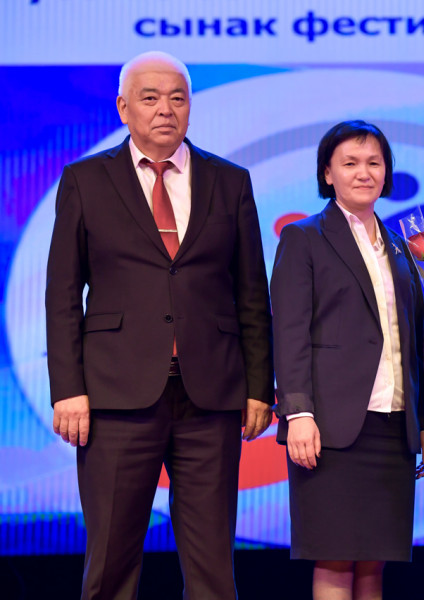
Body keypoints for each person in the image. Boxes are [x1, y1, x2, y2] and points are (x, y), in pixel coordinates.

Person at [45, 51, 274, 599]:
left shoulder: (230, 181)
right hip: (115, 396)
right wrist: (68, 389)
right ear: (123, 108)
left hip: (211, 396)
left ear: (191, 106)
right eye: (149, 98)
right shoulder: (85, 180)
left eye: (177, 98)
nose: (165, 109)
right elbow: (61, 294)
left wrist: (259, 387)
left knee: (213, 565)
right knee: (110, 562)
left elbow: (251, 294)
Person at [270, 120, 424, 600]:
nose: (364, 173)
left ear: (387, 173)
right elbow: (289, 332)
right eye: (350, 163)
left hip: (393, 425)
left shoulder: (402, 246)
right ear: (328, 174)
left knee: (372, 563)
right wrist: (298, 414)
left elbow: (415, 339)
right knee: (335, 557)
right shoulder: (304, 238)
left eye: (374, 163)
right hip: (329, 427)